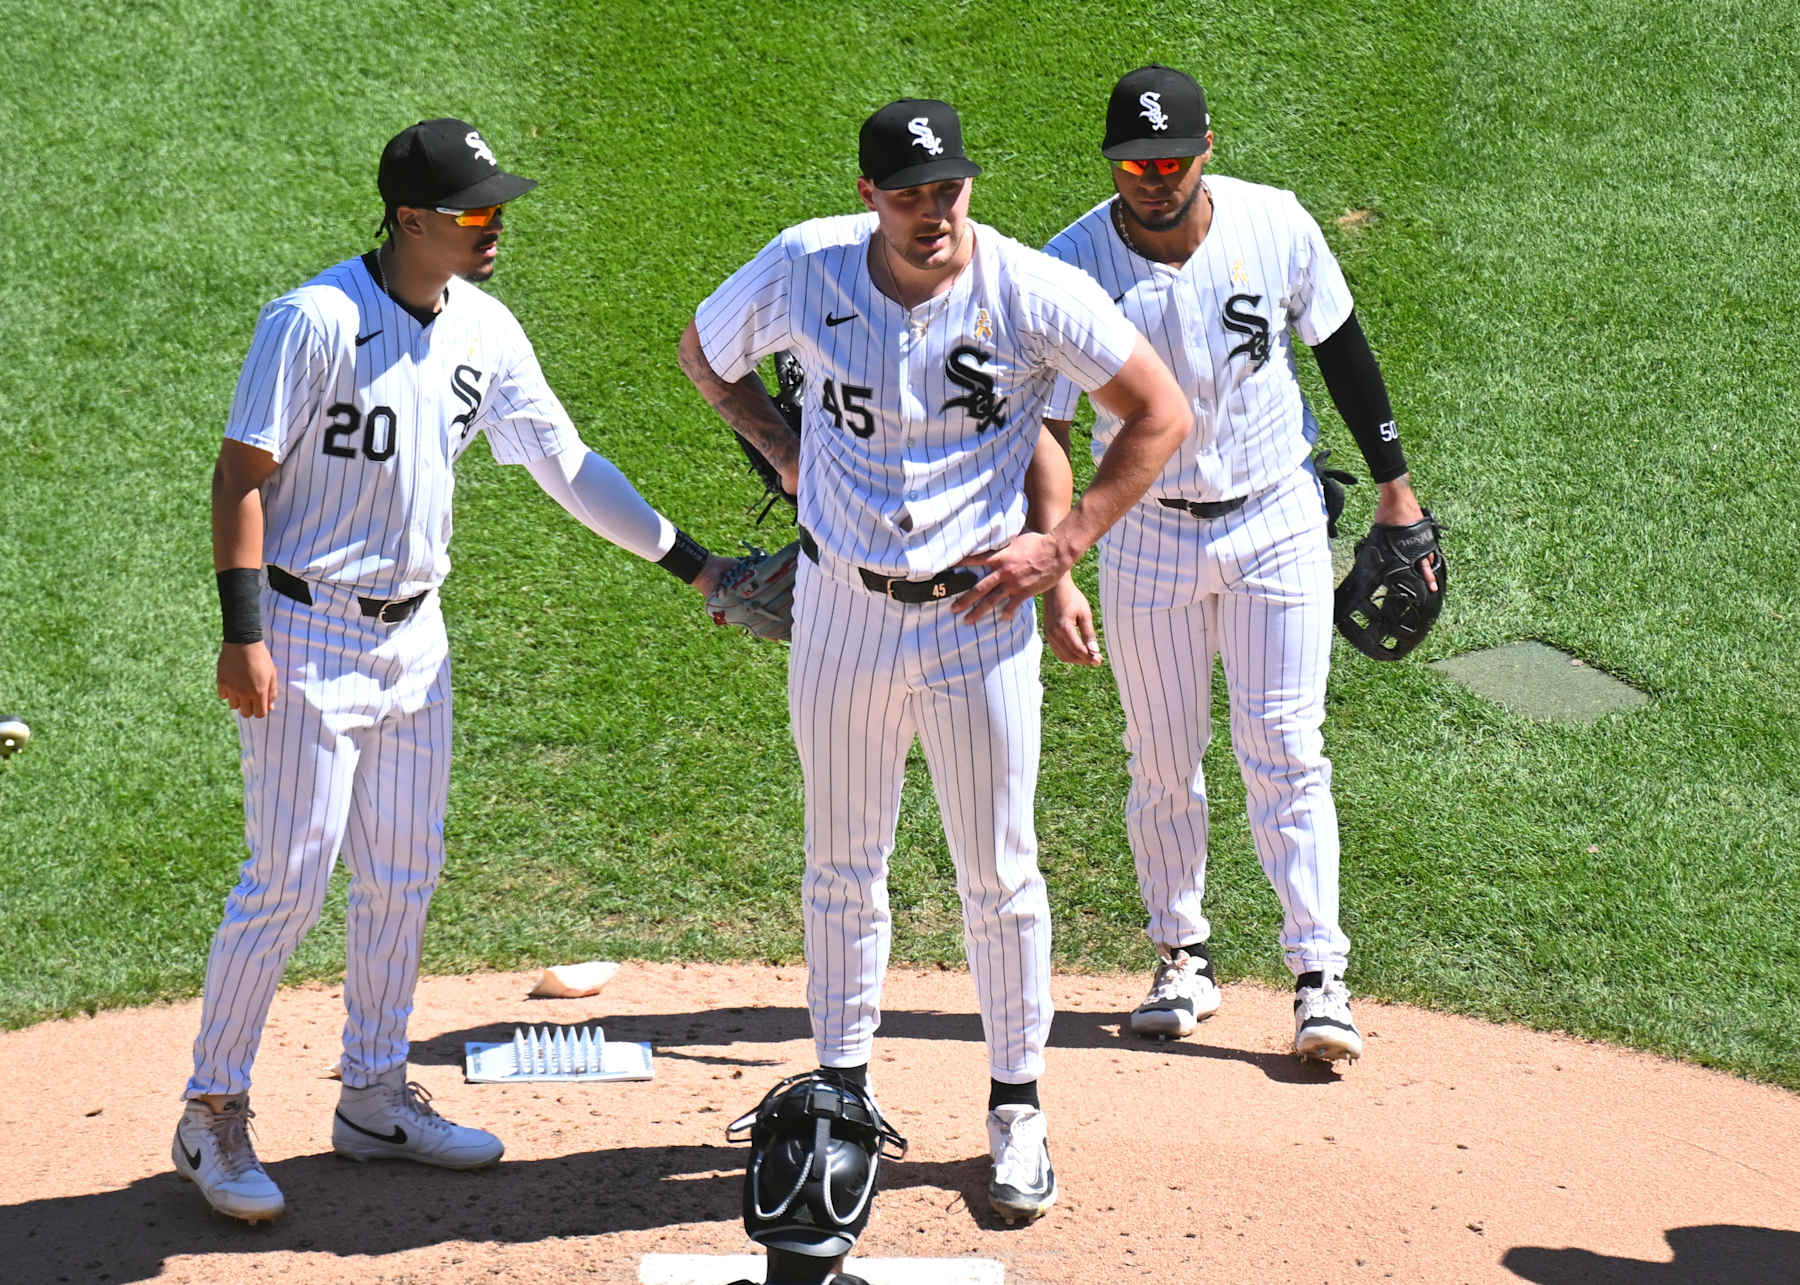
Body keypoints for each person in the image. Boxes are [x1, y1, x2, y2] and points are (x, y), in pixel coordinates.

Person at [177, 117, 737, 1223]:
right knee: (286, 877)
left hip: (414, 640)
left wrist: (698, 566)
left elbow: (566, 464)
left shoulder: (485, 327)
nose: (496, 228)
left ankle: (376, 1095)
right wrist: (242, 636)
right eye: (476, 213)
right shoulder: (314, 320)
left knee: (403, 869)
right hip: (304, 634)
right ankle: (212, 1110)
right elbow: (241, 477)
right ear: (410, 220)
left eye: (498, 210)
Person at [678, 98, 1190, 1223]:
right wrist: (783, 450)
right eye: (908, 194)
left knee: (1000, 871)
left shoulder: (1026, 290)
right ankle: (844, 1099)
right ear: (868, 194)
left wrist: (1064, 546)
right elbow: (704, 356)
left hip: (977, 622)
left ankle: (1016, 1107)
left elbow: (1157, 411)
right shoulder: (803, 269)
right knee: (841, 863)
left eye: (948, 189)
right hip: (841, 611)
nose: (932, 212)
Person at [1040, 66, 1438, 1062]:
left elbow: (1344, 349)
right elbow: (1044, 427)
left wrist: (1395, 485)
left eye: (1171, 158)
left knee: (1286, 749)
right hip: (1143, 533)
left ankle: (1320, 977)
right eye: (1134, 161)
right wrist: (1055, 563)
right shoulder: (1070, 266)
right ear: (1114, 163)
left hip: (1276, 519)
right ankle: (1181, 956)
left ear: (1205, 150)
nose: (1153, 177)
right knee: (1161, 758)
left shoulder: (1275, 226)